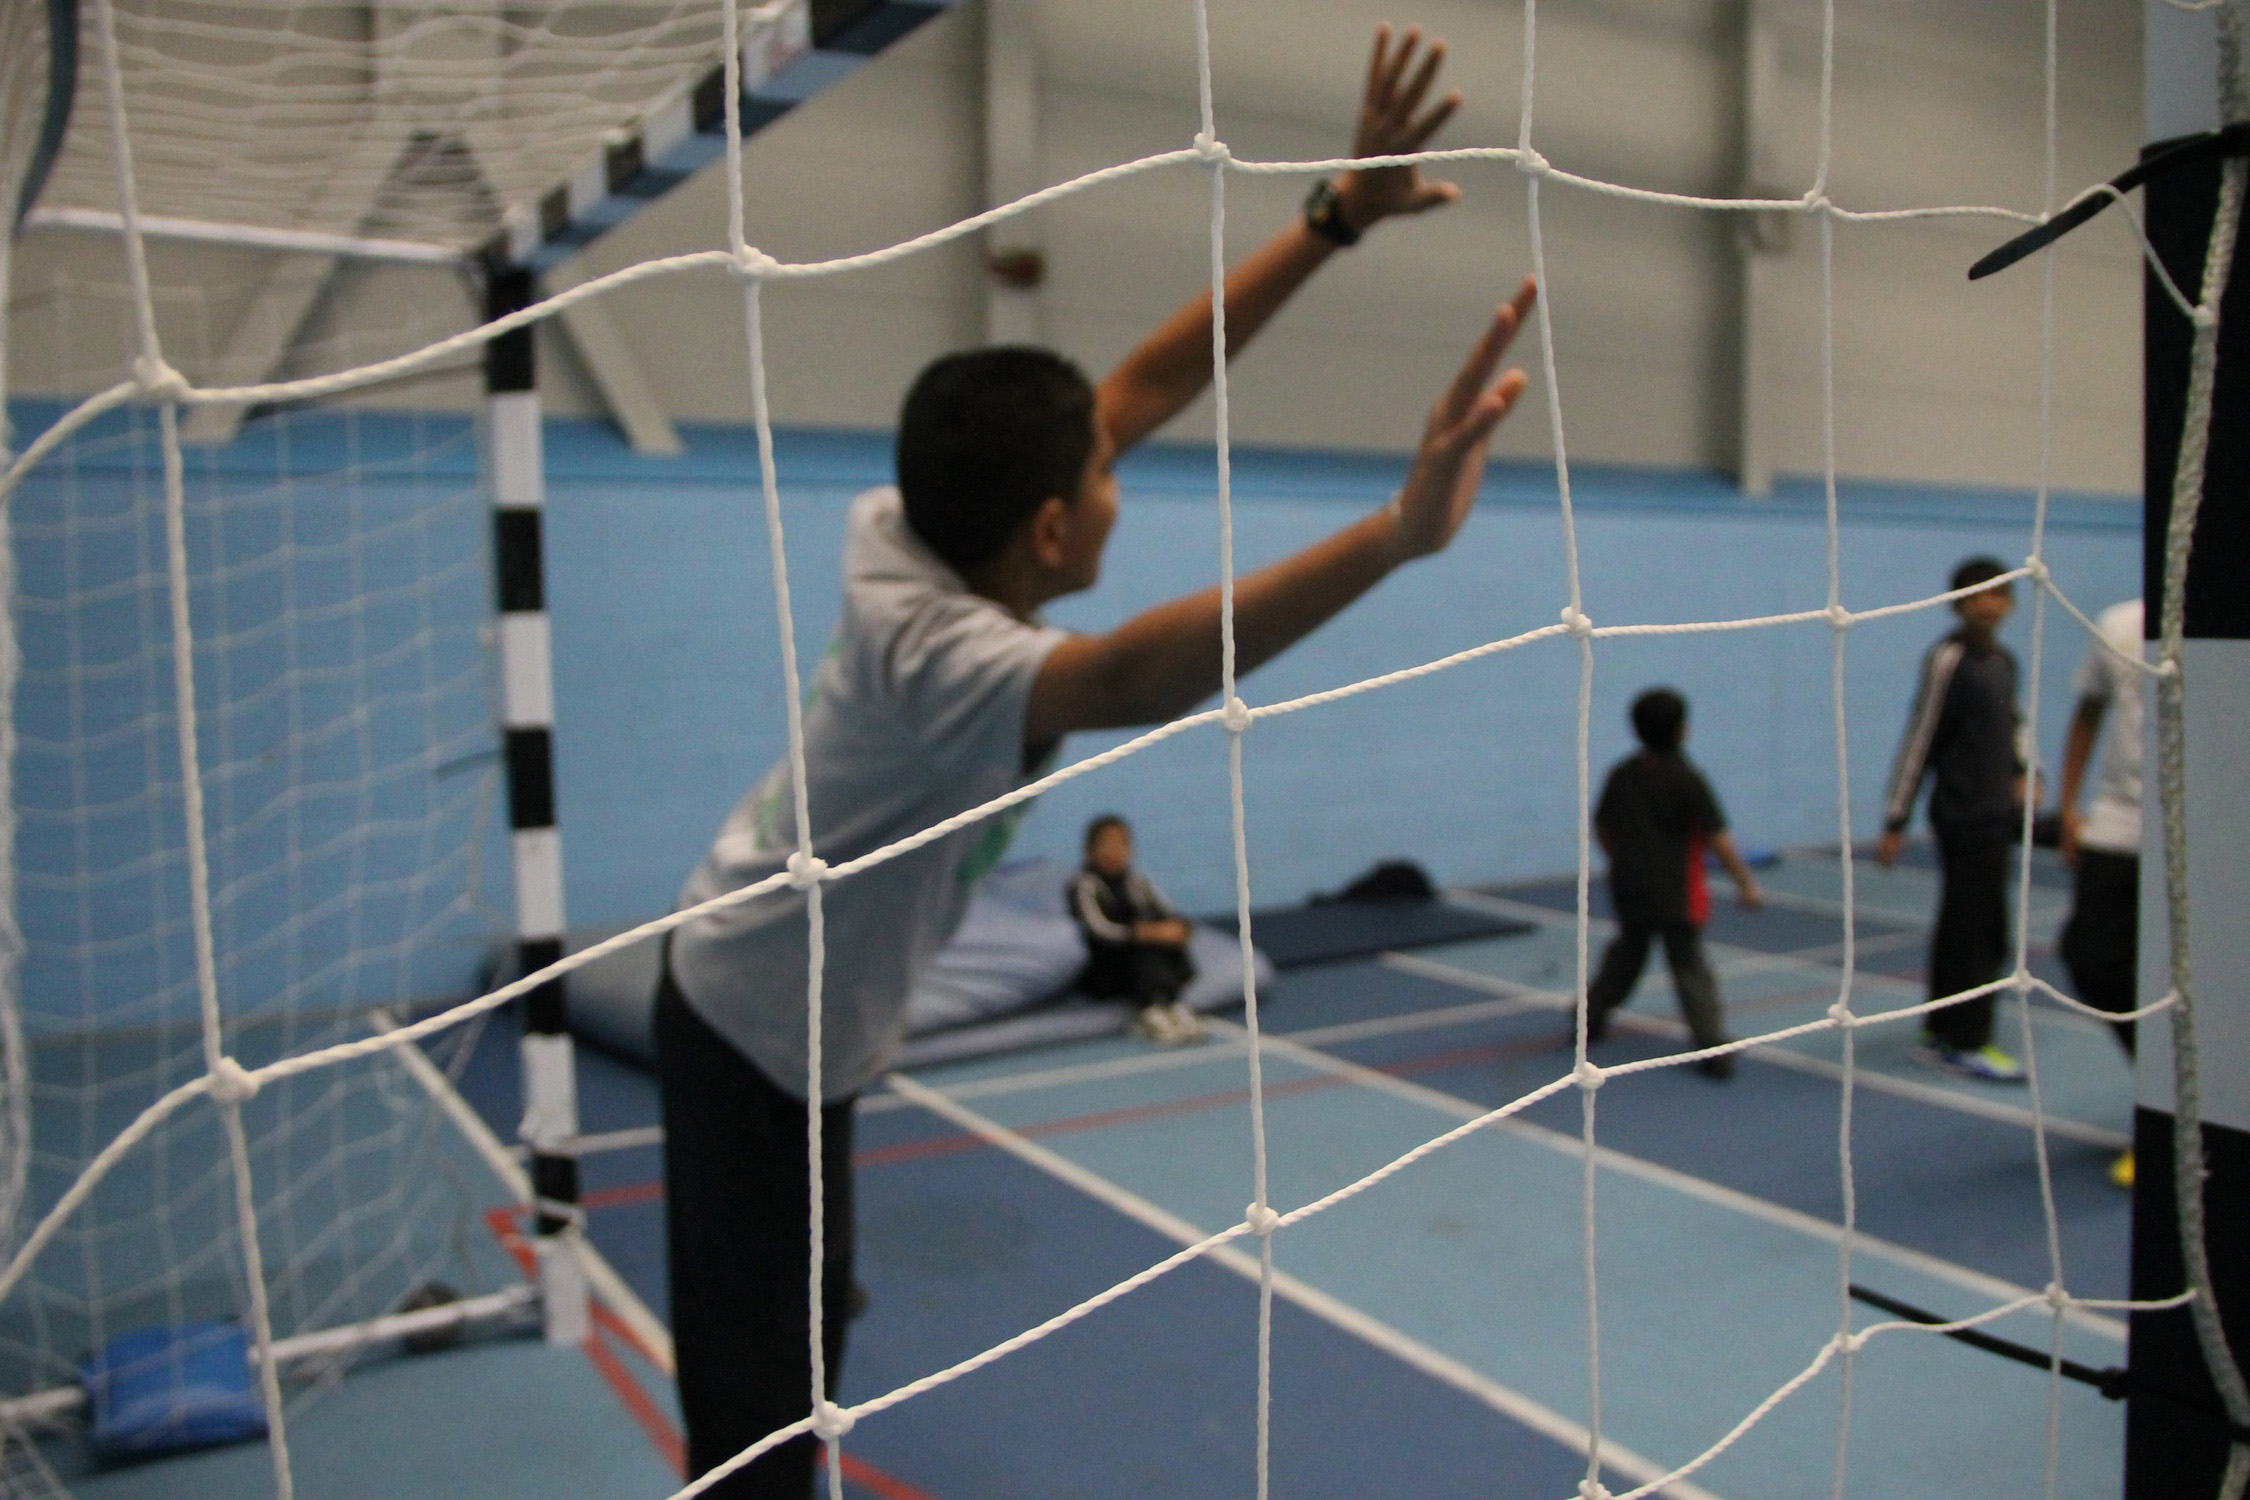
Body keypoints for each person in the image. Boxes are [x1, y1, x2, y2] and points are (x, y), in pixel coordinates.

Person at [655, 27, 1540, 1498]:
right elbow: (1132, 674)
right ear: (1050, 535)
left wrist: (1329, 217)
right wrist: (1397, 536)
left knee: (806, 1369)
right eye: (1107, 479)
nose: (1122, 476)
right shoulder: (943, 661)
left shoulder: (917, 521)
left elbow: (1128, 382)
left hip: (800, 1024)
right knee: (753, 1435)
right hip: (752, 1030)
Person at [1876, 556, 2029, 1082]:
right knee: (1977, 930)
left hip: (1996, 813)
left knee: (1974, 926)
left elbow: (2015, 725)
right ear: (1961, 602)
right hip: (1962, 814)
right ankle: (1964, 1040)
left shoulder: (2004, 661)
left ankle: (1942, 1027)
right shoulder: (1947, 659)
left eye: (2001, 595)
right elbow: (1921, 736)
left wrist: (2026, 774)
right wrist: (1897, 819)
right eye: (1982, 594)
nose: (1993, 604)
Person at [1583, 688, 1764, 1078]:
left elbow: (1602, 826)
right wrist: (1745, 884)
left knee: (1626, 958)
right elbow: (1718, 838)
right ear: (1682, 730)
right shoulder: (1688, 779)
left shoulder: (1622, 774)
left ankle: (1590, 1014)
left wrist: (1619, 860)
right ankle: (1711, 1045)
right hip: (1676, 890)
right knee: (1688, 965)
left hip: (1630, 885)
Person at [2054, 597, 2144, 1187]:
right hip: (2120, 818)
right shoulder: (2118, 623)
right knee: (2091, 957)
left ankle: (2168, 1117)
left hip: (2209, 826)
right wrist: (2068, 808)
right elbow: (2088, 714)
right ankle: (2166, 1092)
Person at [1067, 814, 1203, 1044]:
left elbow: (1169, 914)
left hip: (1139, 952)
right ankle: (1148, 1010)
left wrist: (1180, 929)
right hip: (1106, 967)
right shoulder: (1085, 885)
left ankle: (1172, 1003)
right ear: (1089, 850)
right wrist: (1142, 933)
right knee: (1143, 946)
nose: (1113, 851)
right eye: (1105, 844)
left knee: (1165, 941)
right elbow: (1099, 931)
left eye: (1120, 844)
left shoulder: (1137, 882)